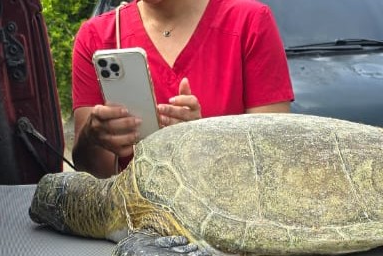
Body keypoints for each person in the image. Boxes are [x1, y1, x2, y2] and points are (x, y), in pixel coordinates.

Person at [71, 0, 294, 178]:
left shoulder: (250, 22)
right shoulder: (95, 37)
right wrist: (93, 137)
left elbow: (271, 157)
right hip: (133, 223)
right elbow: (92, 172)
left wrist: (204, 142)